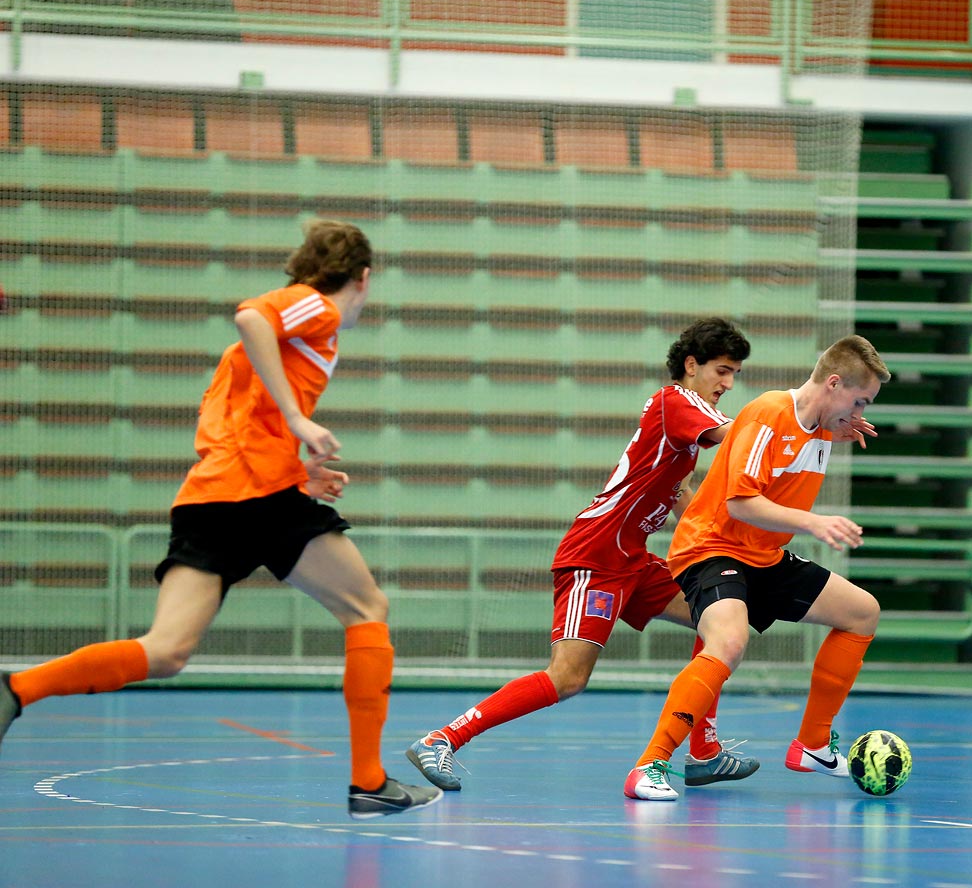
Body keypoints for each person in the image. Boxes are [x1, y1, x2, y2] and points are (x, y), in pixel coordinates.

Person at [0, 219, 440, 819]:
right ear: (362, 278)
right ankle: (368, 781)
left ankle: (16, 690)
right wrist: (301, 422)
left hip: (213, 495)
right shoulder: (318, 312)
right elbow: (252, 315)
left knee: (164, 652)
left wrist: (299, 471)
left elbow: (239, 429)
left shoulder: (256, 360)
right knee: (367, 610)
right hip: (257, 497)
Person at [405, 319, 764, 792]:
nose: (729, 383)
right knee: (568, 677)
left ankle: (703, 751)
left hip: (632, 559)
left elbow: (680, 494)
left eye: (735, 373)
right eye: (722, 370)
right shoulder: (675, 401)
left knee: (719, 617)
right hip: (595, 556)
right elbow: (739, 437)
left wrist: (715, 546)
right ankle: (442, 739)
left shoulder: (683, 422)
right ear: (691, 365)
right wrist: (807, 420)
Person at [623, 334, 890, 801]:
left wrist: (841, 427)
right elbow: (741, 503)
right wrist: (815, 523)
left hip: (761, 556)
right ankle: (649, 766)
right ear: (833, 383)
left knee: (862, 612)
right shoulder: (769, 413)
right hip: (712, 547)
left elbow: (795, 462)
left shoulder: (824, 426)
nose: (861, 412)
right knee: (729, 641)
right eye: (860, 400)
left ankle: (811, 744)